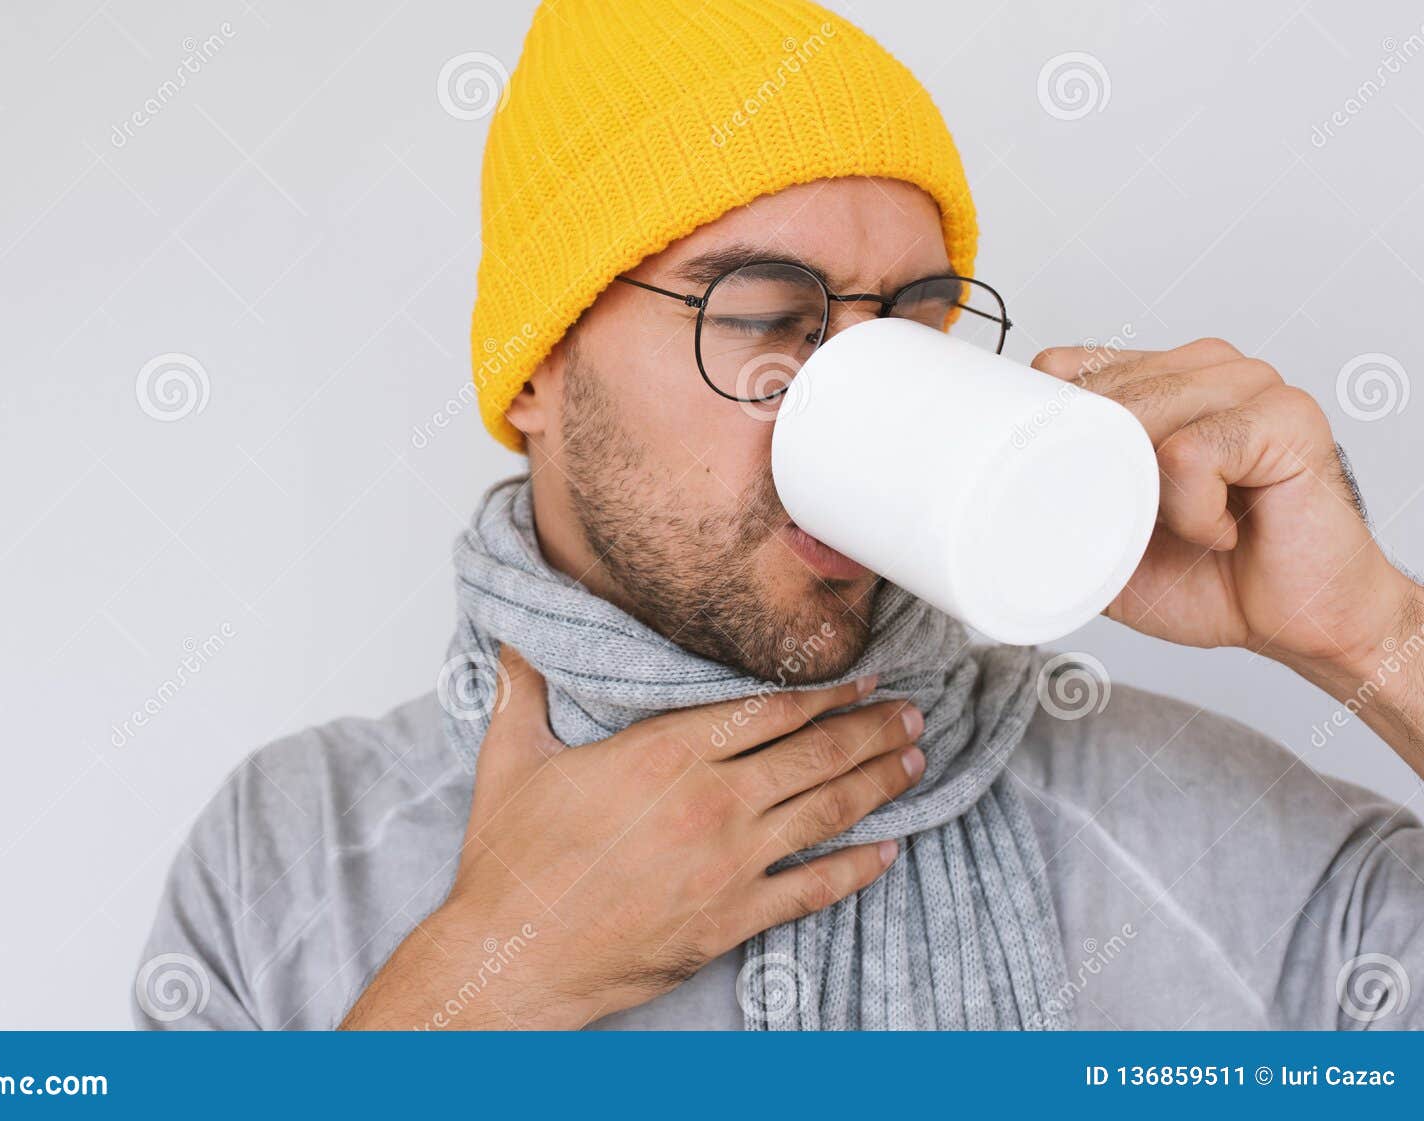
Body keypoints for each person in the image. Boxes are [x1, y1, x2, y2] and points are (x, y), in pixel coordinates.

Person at [134, 0, 1423, 1030]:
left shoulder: (1194, 833)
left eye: (912, 323)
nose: (849, 395)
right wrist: (492, 979)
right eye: (760, 313)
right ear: (537, 367)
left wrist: (1367, 635)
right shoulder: (292, 852)